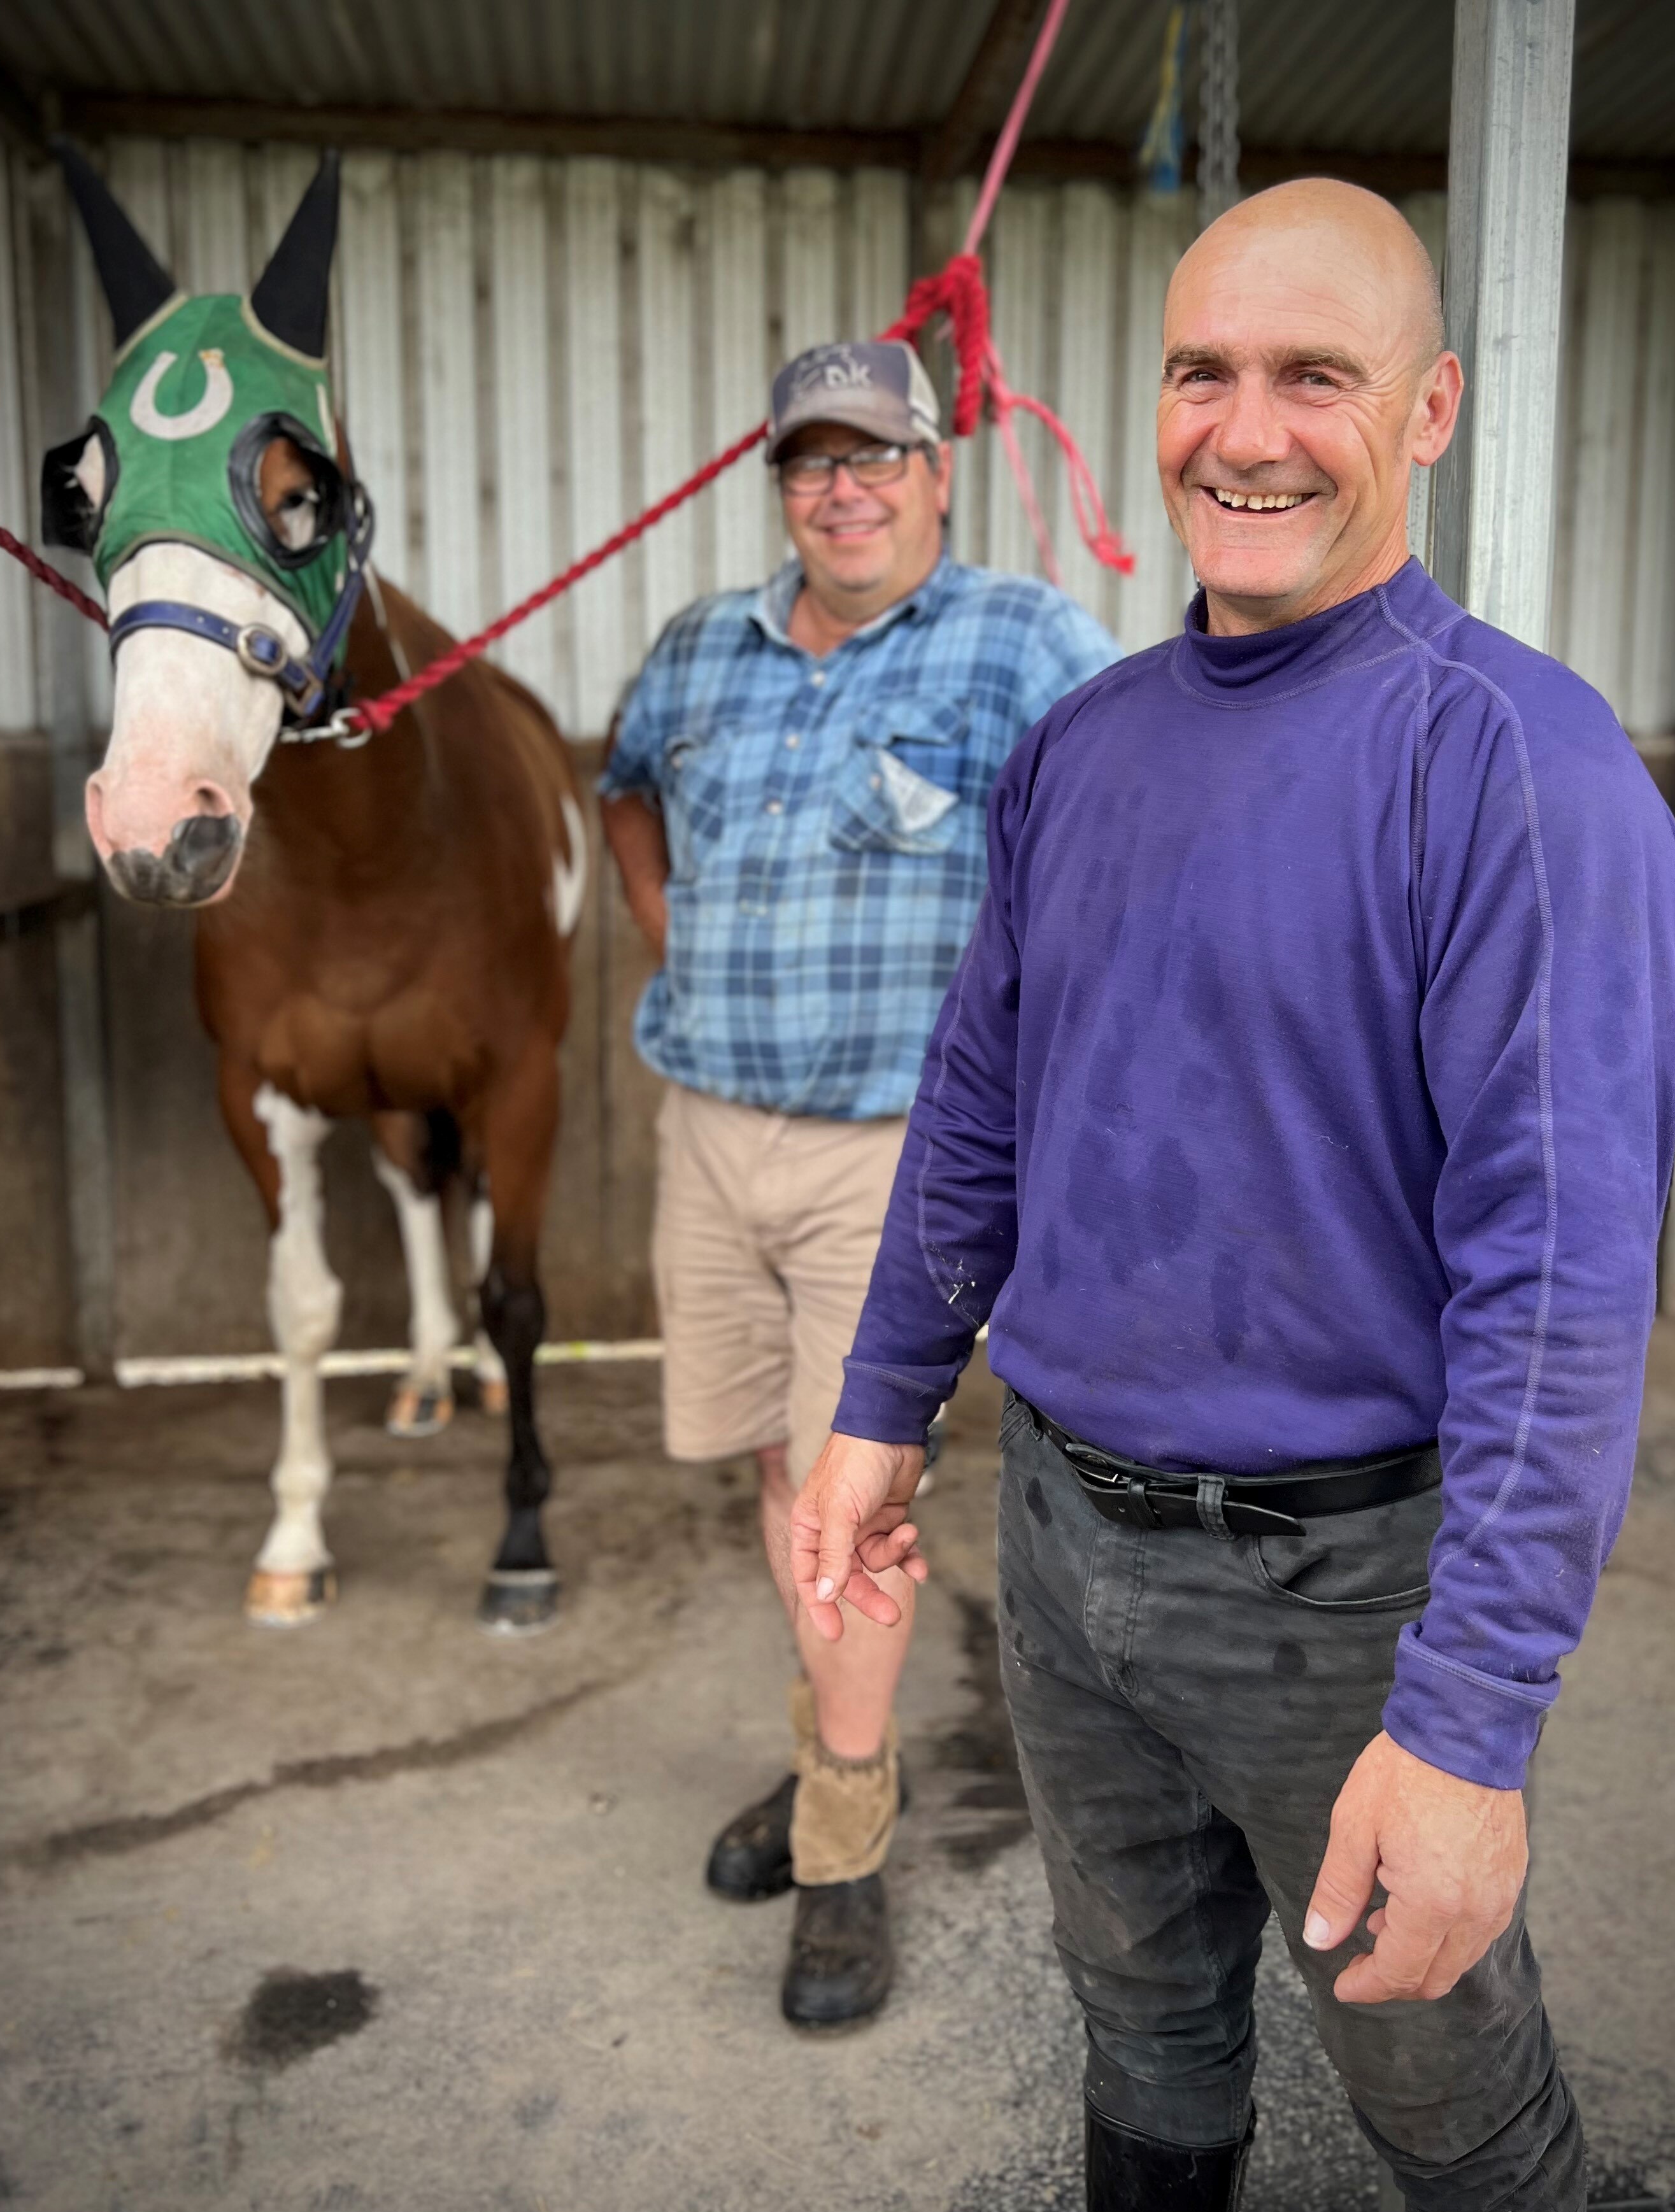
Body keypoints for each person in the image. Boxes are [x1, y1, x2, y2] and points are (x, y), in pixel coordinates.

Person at [791, 180, 1675, 2203]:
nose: (1246, 429)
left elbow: (1554, 1298)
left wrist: (1463, 1734)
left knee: (1451, 2120)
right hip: (1062, 1547)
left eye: (1316, 376)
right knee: (1146, 2044)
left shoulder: (1517, 773)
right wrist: (875, 1408)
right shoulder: (1083, 748)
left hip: (1342, 1599)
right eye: (1202, 373)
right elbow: (977, 1110)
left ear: (1433, 406)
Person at [599, 337, 1118, 2027]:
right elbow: (620, 795)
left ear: (938, 468)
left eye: (875, 456)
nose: (843, 489)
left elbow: (1129, 833)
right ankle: (839, 1744)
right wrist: (683, 948)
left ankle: (840, 1840)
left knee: (853, 1505)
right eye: (812, 461)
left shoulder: (1021, 642)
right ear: (781, 483)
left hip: (890, 1161)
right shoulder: (700, 653)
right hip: (709, 1130)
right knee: (779, 1478)